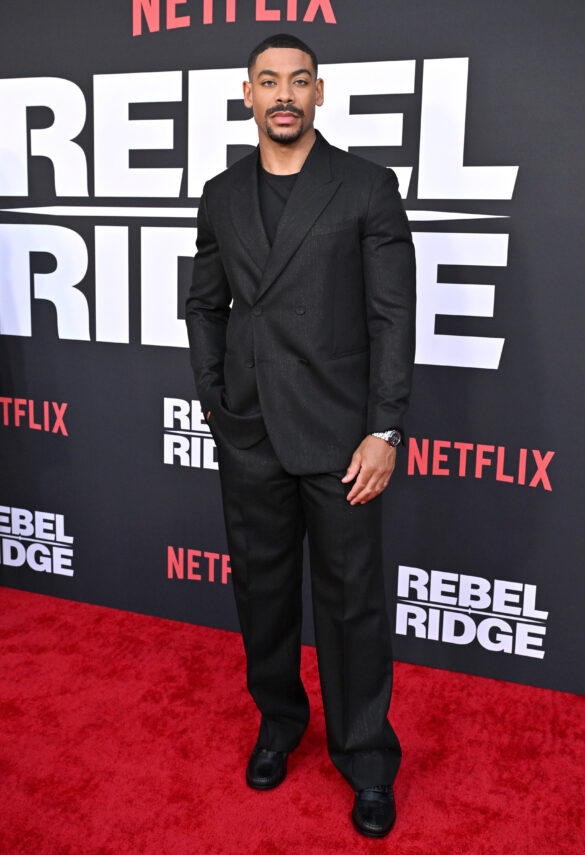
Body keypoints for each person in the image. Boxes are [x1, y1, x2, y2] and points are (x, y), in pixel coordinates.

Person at [186, 33, 416, 838]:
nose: (282, 94)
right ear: (247, 94)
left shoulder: (365, 186)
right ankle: (279, 721)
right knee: (262, 593)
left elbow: (392, 317)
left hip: (341, 436)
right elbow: (203, 304)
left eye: (298, 80)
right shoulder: (220, 194)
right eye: (268, 81)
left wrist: (384, 428)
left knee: (351, 603)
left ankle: (367, 758)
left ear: (319, 92)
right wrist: (215, 400)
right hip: (250, 432)